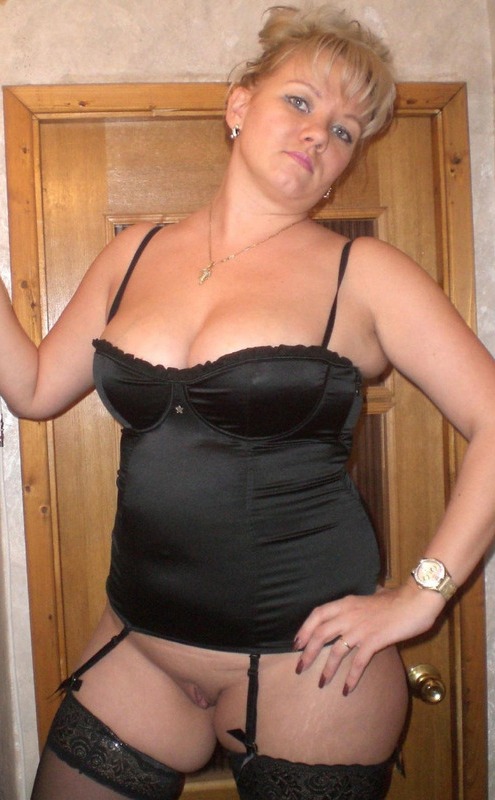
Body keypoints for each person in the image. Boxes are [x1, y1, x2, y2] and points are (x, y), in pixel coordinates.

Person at [1, 4, 494, 799]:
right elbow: (31, 389)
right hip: (138, 644)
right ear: (238, 105)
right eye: (300, 101)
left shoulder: (364, 273)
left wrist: (421, 597)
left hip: (310, 670)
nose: (318, 134)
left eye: (343, 131)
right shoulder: (131, 254)